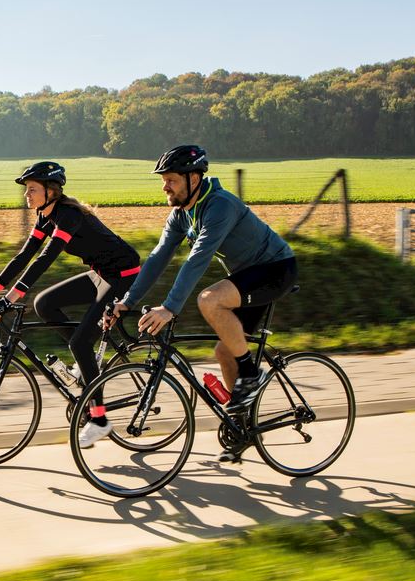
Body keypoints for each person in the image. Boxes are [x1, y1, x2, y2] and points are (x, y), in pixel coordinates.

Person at [105, 144, 297, 462]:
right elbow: (157, 258)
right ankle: (241, 428)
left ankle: (251, 377)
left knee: (209, 300)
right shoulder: (182, 213)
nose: (165, 186)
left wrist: (170, 307)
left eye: (172, 180)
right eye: (163, 180)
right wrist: (128, 300)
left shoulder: (219, 205)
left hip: (276, 269)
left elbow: (198, 259)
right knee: (225, 351)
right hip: (247, 277)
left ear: (194, 178)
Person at [0, 161, 140, 448]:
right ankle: (86, 366)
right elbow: (23, 258)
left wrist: (9, 300)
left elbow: (45, 259)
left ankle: (99, 420)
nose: (27, 195)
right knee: (44, 303)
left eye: (32, 189)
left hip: (123, 276)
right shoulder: (45, 217)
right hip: (100, 273)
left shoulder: (68, 215)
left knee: (80, 344)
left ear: (51, 191)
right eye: (27, 190)